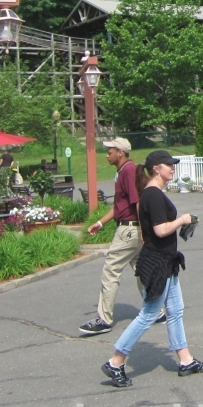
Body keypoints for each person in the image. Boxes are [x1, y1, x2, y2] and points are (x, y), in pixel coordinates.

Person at [101, 150, 203, 387]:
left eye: (173, 164)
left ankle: (186, 360)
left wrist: (185, 222)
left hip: (166, 260)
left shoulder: (153, 193)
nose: (172, 168)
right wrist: (182, 220)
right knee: (149, 314)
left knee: (175, 309)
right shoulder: (152, 194)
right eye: (168, 165)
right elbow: (160, 230)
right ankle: (116, 361)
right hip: (157, 262)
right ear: (155, 169)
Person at [80, 138, 165, 336]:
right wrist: (100, 223)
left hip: (128, 230)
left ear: (120, 152)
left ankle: (104, 319)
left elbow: (136, 202)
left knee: (111, 269)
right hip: (132, 229)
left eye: (110, 151)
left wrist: (144, 230)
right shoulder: (124, 171)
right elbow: (120, 206)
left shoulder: (127, 171)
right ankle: (157, 312)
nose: (106, 155)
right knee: (140, 270)